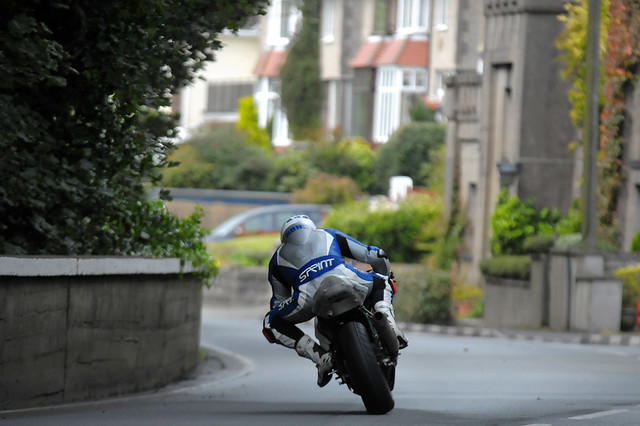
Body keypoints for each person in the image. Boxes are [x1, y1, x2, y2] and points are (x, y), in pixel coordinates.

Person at [262, 215, 408, 387]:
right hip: (347, 278)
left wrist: (282, 311)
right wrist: (386, 274)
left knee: (270, 322)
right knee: (381, 281)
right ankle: (388, 322)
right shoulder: (327, 234)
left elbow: (278, 303)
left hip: (307, 298)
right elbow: (374, 254)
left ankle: (320, 356)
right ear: (311, 228)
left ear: (284, 238)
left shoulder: (277, 258)